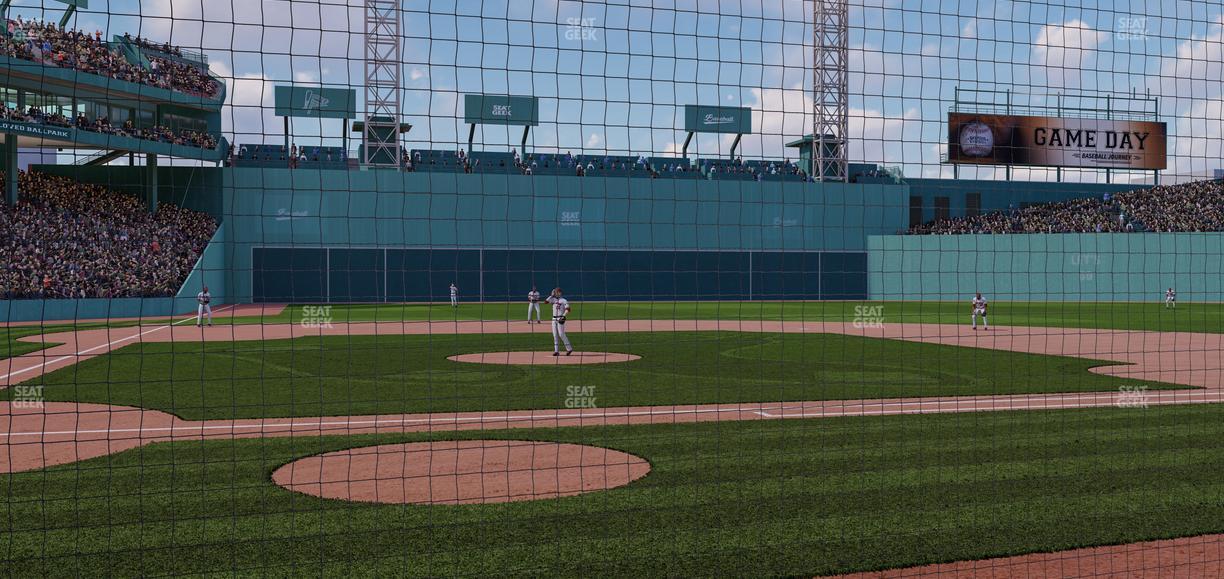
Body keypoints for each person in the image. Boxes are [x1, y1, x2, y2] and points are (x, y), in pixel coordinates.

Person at [546, 287, 573, 356]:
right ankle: (556, 351)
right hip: (553, 319)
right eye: (556, 292)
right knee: (555, 335)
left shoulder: (564, 300)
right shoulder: (553, 300)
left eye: (558, 292)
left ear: (560, 293)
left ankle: (569, 349)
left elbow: (568, 309)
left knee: (561, 334)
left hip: (560, 318)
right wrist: (551, 296)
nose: (557, 293)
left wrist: (563, 316)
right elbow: (545, 302)